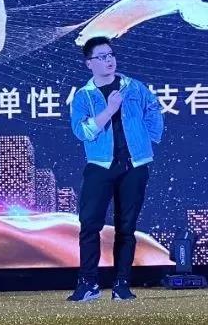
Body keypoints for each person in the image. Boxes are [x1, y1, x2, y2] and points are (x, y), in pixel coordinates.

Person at [67, 37, 164, 302]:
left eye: (110, 55)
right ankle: (88, 284)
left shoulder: (134, 87)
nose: (109, 60)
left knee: (126, 227)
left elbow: (154, 109)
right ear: (89, 64)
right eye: (101, 57)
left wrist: (146, 140)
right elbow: (82, 131)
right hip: (100, 166)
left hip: (134, 166)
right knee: (90, 225)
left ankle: (122, 284)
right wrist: (109, 110)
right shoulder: (84, 96)